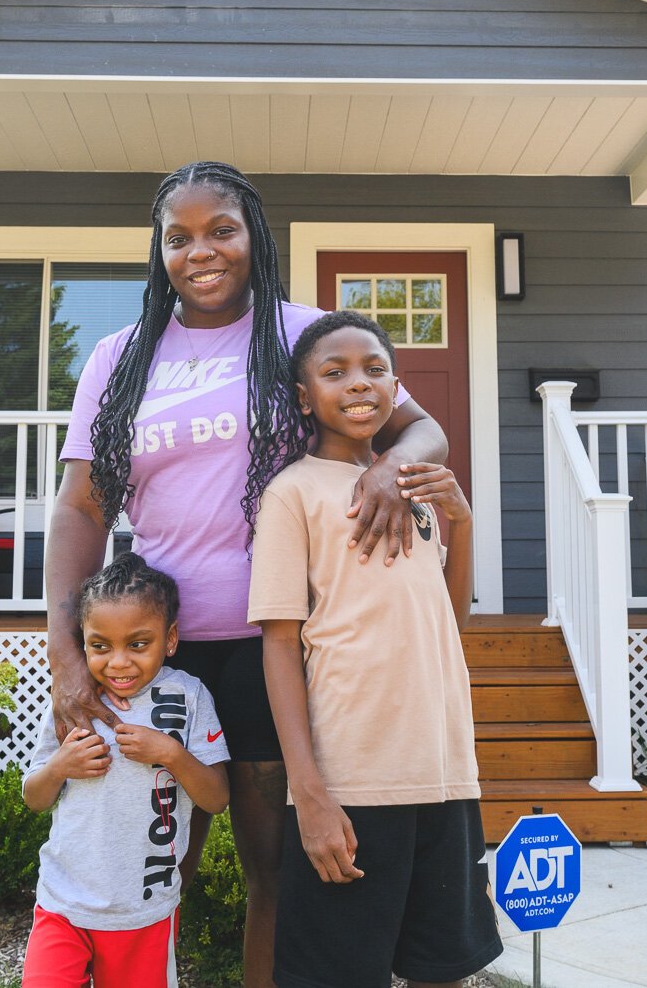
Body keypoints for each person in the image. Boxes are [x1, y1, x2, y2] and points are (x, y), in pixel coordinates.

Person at [48, 162, 449, 986]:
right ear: (158, 250)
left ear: (254, 236)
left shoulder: (304, 335)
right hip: (157, 653)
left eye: (221, 229)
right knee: (148, 865)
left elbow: (422, 429)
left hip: (283, 649)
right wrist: (62, 647)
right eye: (179, 236)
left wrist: (388, 469)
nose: (202, 252)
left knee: (275, 869)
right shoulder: (119, 359)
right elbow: (82, 508)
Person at [249, 311, 502, 988]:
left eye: (374, 368)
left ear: (397, 386)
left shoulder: (414, 489)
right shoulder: (293, 493)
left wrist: (463, 521)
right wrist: (310, 792)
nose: (357, 383)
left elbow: (447, 623)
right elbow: (278, 645)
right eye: (334, 373)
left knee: (441, 969)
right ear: (305, 397)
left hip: (444, 774)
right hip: (352, 781)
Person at [22, 552, 231, 988]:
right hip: (64, 904)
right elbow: (34, 798)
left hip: (144, 910)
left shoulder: (189, 697)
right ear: (83, 640)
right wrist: (60, 766)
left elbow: (216, 797)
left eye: (137, 644)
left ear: (169, 639)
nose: (117, 663)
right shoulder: (75, 701)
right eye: (100, 646)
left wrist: (171, 754)